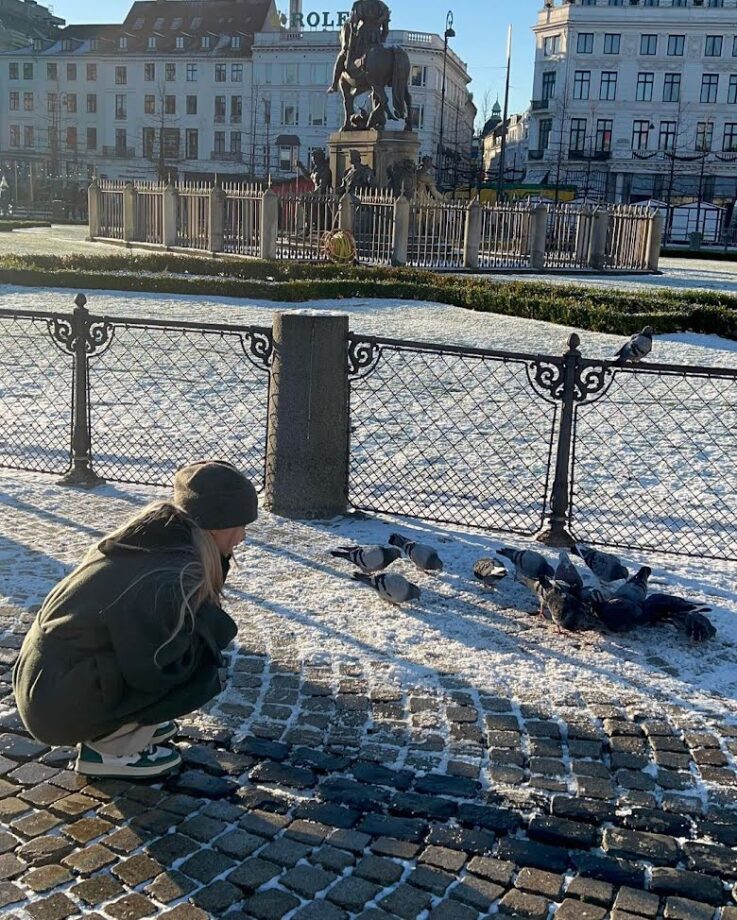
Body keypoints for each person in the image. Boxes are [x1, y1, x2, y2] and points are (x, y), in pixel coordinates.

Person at [13, 460, 258, 779]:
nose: (241, 537)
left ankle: (124, 726)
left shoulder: (155, 539)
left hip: (48, 683)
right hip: (55, 704)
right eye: (237, 525)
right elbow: (156, 669)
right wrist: (211, 635)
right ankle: (109, 749)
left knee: (188, 647)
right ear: (213, 523)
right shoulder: (169, 577)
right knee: (197, 667)